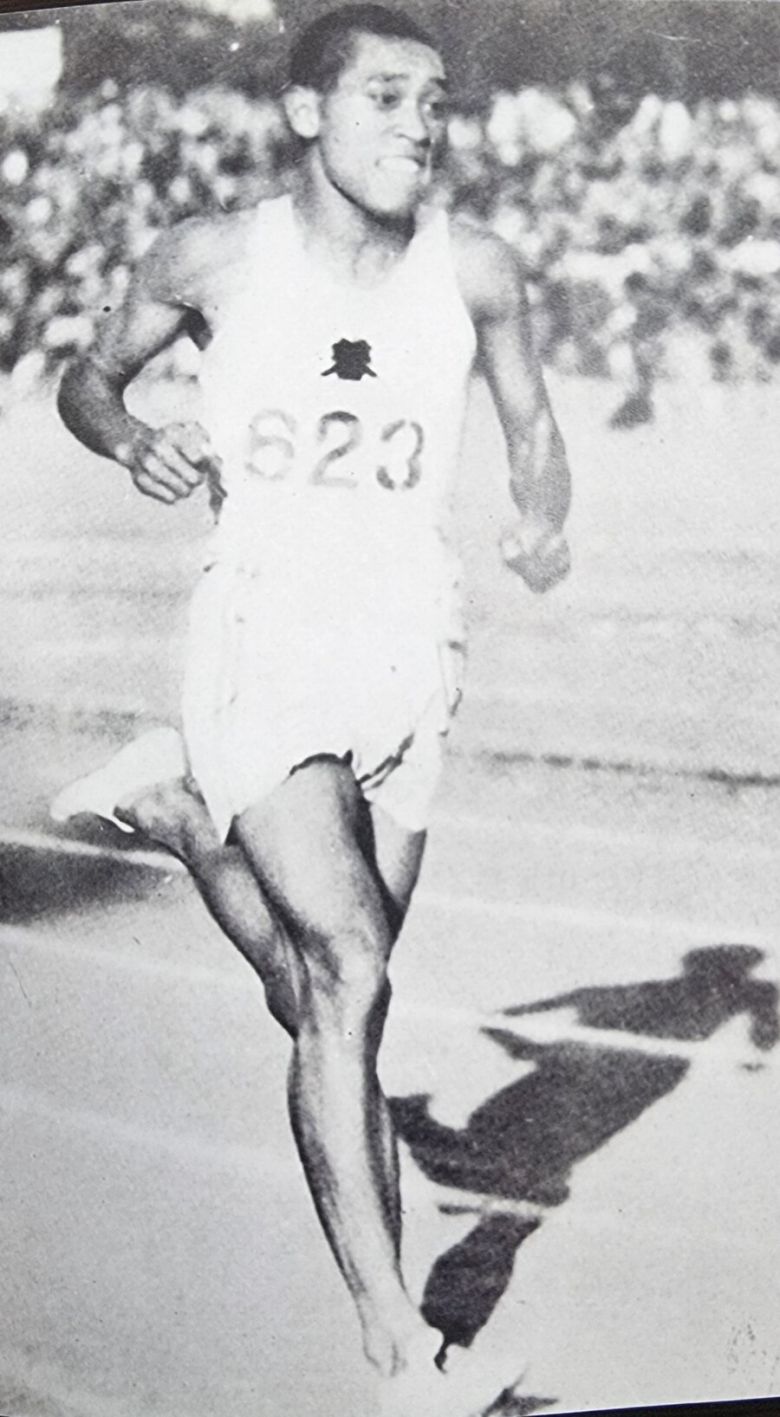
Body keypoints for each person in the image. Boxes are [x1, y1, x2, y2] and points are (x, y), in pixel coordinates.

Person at [55, 6, 572, 1412]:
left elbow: (535, 428)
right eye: (388, 96)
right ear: (306, 112)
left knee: (323, 997)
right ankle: (400, 1349)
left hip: (412, 639)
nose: (422, 124)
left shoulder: (478, 268)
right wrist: (132, 439)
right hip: (266, 627)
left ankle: (180, 813)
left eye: (437, 101)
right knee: (348, 968)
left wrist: (543, 515)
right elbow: (88, 380)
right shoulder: (215, 257)